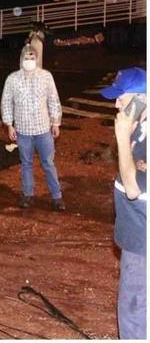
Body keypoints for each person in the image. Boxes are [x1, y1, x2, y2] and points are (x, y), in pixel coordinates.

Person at [100, 67, 146, 339]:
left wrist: (121, 135)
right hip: (136, 237)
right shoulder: (142, 129)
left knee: (134, 314)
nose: (116, 104)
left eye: (122, 98)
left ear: (142, 99)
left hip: (142, 242)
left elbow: (132, 188)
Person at [1, 45, 65, 210]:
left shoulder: (46, 76)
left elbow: (53, 99)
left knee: (48, 163)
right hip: (23, 131)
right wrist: (9, 124)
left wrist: (55, 122)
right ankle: (28, 195)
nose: (29, 61)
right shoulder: (12, 79)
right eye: (26, 58)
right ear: (21, 59)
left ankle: (57, 197)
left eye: (32, 58)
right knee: (26, 163)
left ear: (37, 59)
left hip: (43, 129)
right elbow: (6, 102)